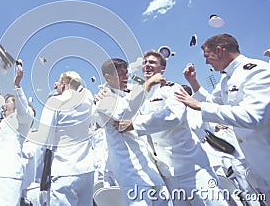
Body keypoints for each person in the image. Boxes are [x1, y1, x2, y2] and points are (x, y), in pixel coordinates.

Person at [114, 52, 227, 205]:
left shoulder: (172, 88)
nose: (147, 65)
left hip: (193, 170)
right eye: (145, 62)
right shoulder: (141, 96)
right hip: (167, 174)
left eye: (153, 62)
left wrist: (135, 124)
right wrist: (104, 91)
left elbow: (174, 116)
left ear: (163, 68)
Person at [174, 33, 270, 200]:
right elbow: (212, 101)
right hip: (258, 167)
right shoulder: (226, 80)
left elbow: (254, 116)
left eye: (207, 56)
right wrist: (193, 82)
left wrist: (200, 106)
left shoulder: (256, 70)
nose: (206, 62)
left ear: (218, 51)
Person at [94, 58, 167, 205]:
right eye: (121, 74)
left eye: (126, 73)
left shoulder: (128, 94)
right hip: (130, 171)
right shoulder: (104, 99)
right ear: (108, 77)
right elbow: (123, 114)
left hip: (148, 167)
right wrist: (147, 84)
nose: (126, 77)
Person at [37, 71, 95, 206]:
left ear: (64, 84)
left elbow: (42, 140)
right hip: (87, 170)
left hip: (64, 170)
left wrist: (39, 176)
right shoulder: (88, 101)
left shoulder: (55, 101)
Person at [0, 63, 34, 206]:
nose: (4, 105)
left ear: (16, 104)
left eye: (8, 102)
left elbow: (23, 109)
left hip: (10, 172)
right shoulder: (5, 121)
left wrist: (17, 84)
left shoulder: (23, 119)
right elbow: (0, 104)